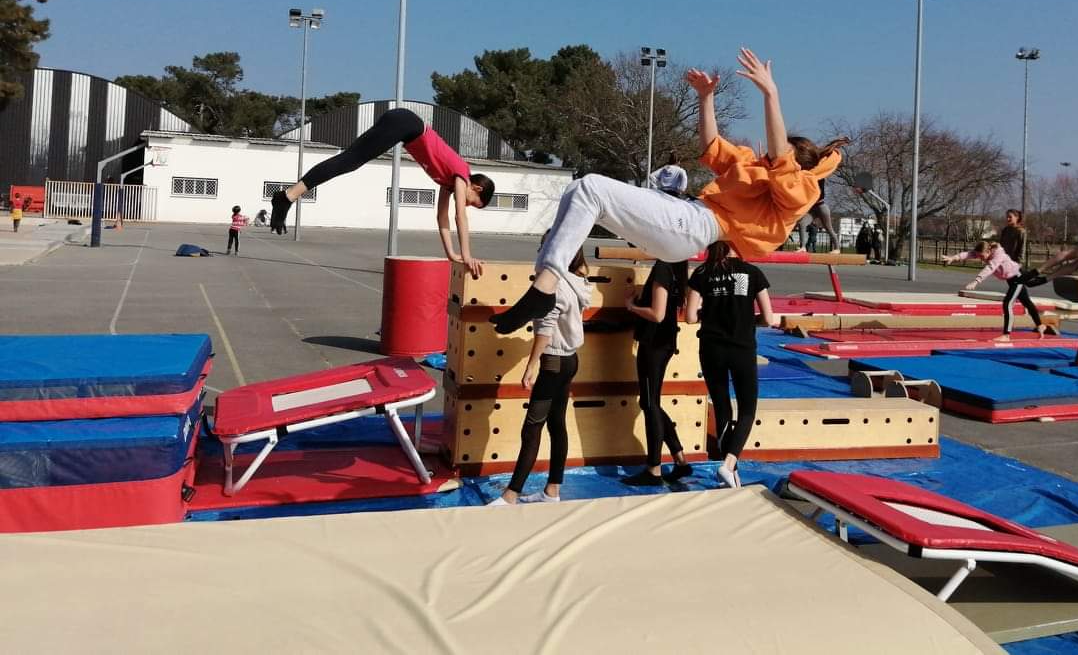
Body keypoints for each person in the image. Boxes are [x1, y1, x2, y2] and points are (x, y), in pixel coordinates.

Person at [491, 48, 846, 333]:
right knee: (579, 189)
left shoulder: (799, 191)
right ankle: (544, 287)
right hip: (683, 220)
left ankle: (545, 289)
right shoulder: (754, 166)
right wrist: (705, 98)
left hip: (695, 226)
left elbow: (781, 156)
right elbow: (712, 147)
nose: (767, 152)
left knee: (592, 188)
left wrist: (771, 94)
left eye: (777, 153)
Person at [269, 109, 495, 276]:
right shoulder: (461, 174)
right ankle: (288, 196)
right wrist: (467, 255)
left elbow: (442, 218)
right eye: (473, 202)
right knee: (350, 160)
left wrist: (452, 254)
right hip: (406, 123)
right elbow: (459, 217)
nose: (467, 205)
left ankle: (287, 196)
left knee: (350, 160)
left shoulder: (448, 182)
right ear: (477, 188)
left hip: (403, 124)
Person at [490, 244, 594, 506]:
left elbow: (545, 329)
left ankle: (511, 494)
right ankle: (552, 491)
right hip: (570, 360)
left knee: (532, 427)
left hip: (553, 363)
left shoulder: (555, 285)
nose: (541, 251)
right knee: (557, 424)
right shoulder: (577, 280)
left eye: (545, 247)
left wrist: (531, 365)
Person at [685, 241, 779, 488]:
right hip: (741, 348)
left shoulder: (702, 272)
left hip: (711, 348)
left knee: (722, 406)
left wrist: (711, 314)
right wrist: (748, 320)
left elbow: (690, 317)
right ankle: (728, 464)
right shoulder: (752, 272)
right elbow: (769, 318)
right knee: (747, 410)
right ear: (737, 244)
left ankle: (730, 472)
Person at [622, 258, 694, 487]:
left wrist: (632, 307)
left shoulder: (663, 268)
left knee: (650, 403)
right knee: (649, 402)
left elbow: (657, 314)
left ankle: (654, 468)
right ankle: (679, 459)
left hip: (654, 343)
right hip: (663, 342)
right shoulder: (677, 267)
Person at [941, 239, 1052, 337]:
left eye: (982, 256)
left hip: (1017, 277)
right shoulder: (984, 252)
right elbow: (968, 254)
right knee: (1026, 302)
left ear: (988, 251)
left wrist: (976, 281)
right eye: (979, 256)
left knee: (1007, 304)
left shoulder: (998, 254)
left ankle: (1006, 335)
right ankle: (1040, 325)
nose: (981, 259)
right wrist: (953, 258)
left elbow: (990, 267)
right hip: (1011, 279)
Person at [805, 179, 837, 252]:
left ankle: (837, 248)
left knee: (829, 228)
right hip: (812, 207)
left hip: (821, 206)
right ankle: (803, 247)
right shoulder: (814, 227)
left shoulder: (819, 181)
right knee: (802, 224)